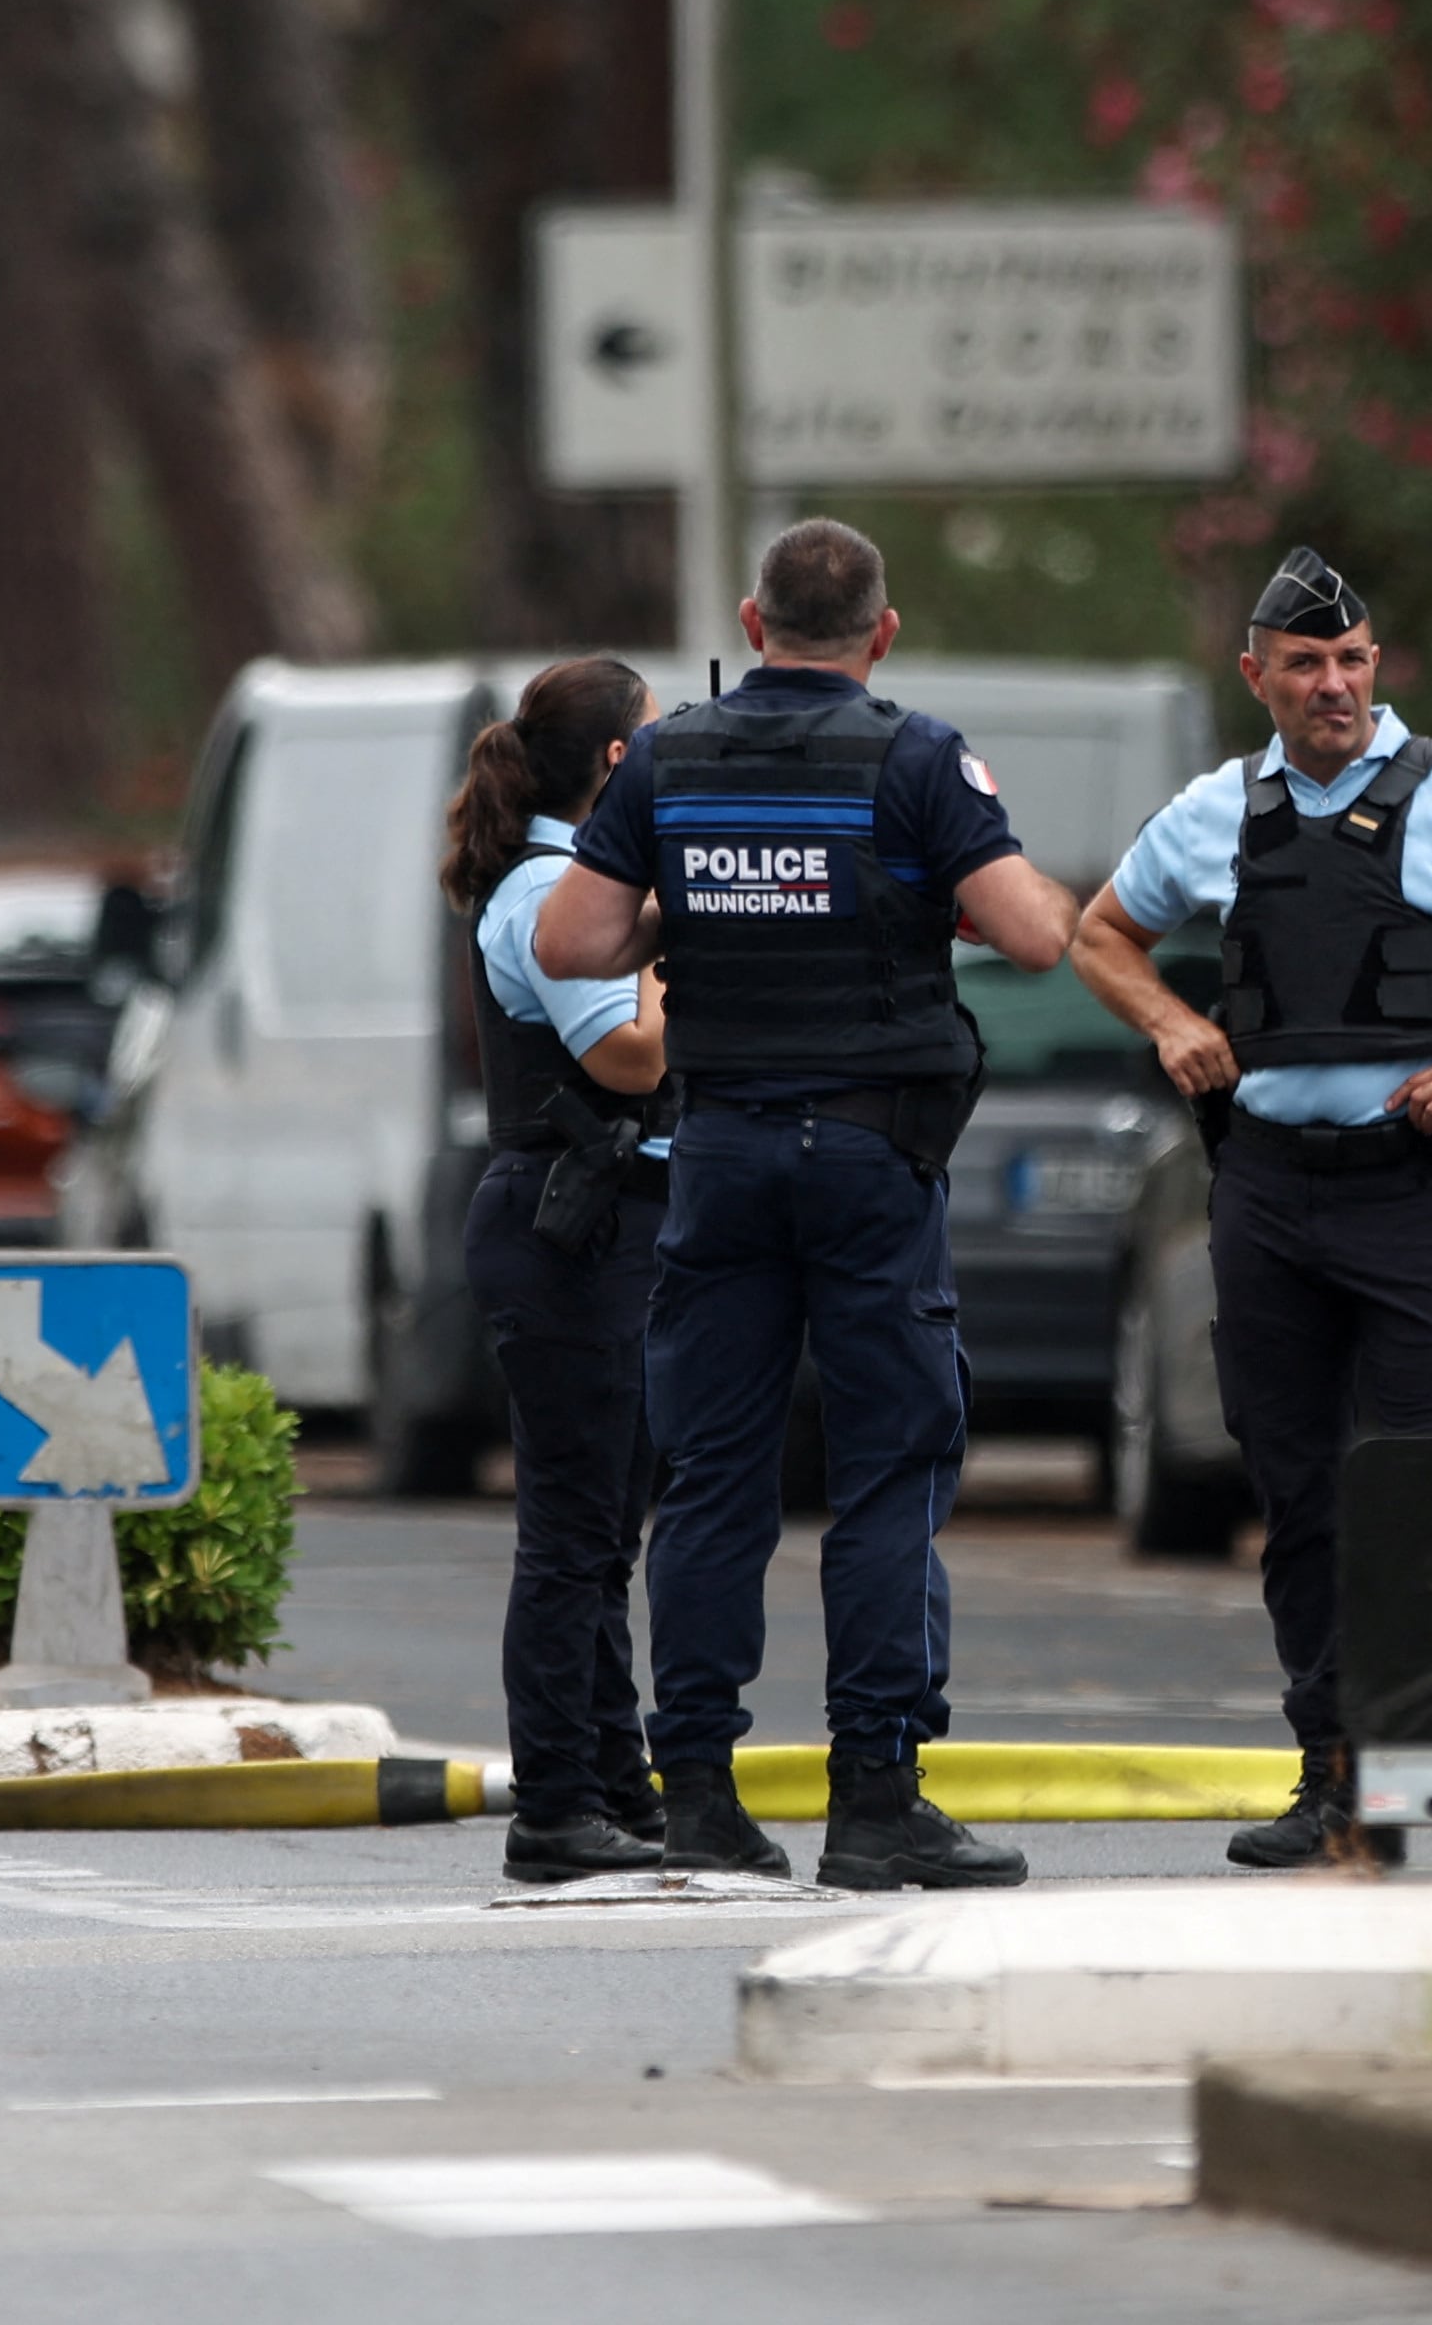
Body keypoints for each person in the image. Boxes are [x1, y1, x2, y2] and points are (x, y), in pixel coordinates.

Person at [1069, 547, 1432, 1870]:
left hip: (1409, 1187)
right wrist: (1171, 1021)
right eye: (1305, 666)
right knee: (1300, 1492)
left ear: (1375, 664)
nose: (1332, 685)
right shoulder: (1215, 807)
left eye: (1350, 661)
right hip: (1267, 1195)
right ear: (1256, 676)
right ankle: (1330, 1775)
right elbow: (1099, 933)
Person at [536, 518, 1078, 1891]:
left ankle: (700, 1793)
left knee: (717, 1474)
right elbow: (1033, 933)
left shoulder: (668, 756)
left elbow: (573, 942)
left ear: (751, 617)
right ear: (881, 634)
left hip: (717, 1153)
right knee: (887, 1468)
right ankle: (876, 1797)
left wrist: (696, 910)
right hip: (867, 1162)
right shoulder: (915, 756)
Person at [445, 658, 679, 1884]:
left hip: (600, 1227)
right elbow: (628, 1058)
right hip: (568, 1232)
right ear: (612, 765)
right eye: (650, 741)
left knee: (603, 1536)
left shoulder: (571, 881)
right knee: (571, 1536)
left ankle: (611, 1785)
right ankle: (554, 1803)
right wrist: (664, 964)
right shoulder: (547, 889)